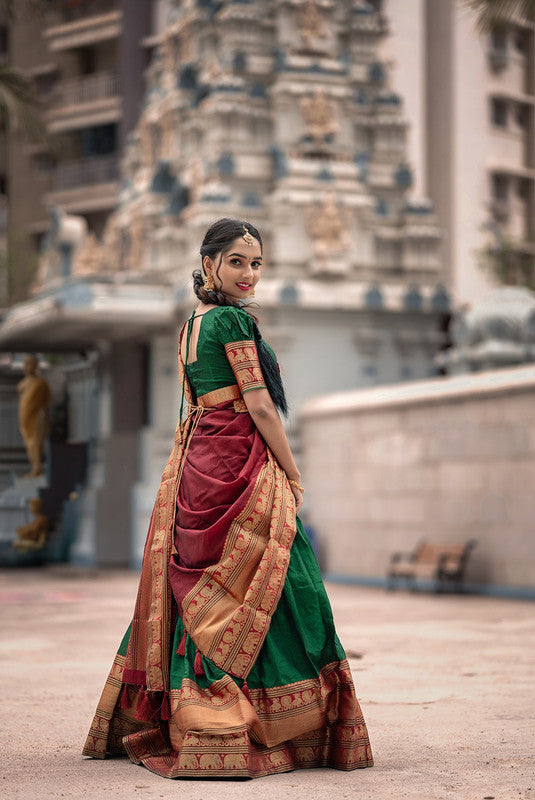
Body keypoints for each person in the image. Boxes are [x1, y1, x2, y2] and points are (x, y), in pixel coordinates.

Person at [83, 218, 373, 779]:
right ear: (209, 262)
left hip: (198, 464)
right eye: (237, 261)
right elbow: (261, 406)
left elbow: (198, 402)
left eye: (257, 263)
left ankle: (188, 716)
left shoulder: (192, 324)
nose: (248, 274)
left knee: (211, 585)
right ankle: (269, 725)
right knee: (290, 581)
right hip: (238, 462)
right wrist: (292, 472)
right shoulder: (234, 321)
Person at [17, 355, 51, 477]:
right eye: (26, 364)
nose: (27, 367)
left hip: (37, 416)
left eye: (30, 364)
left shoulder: (41, 383)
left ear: (35, 366)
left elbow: (46, 402)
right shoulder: (23, 384)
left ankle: (37, 468)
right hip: (25, 417)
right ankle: (34, 466)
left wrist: (47, 421)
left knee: (36, 443)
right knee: (28, 443)